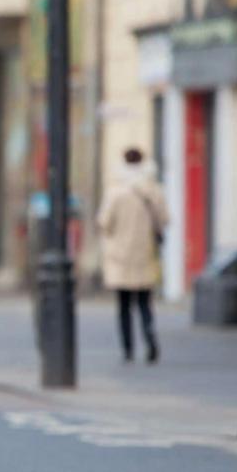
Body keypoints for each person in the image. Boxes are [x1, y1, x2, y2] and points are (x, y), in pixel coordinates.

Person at [96, 148, 168, 364]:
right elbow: (165, 219)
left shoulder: (115, 192)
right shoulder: (153, 189)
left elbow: (104, 223)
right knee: (145, 304)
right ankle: (150, 341)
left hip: (120, 256)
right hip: (145, 254)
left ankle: (128, 349)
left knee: (124, 306)